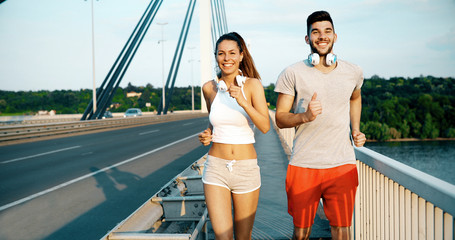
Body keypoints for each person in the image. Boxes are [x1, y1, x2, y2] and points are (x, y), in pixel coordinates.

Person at [274, 11, 367, 240]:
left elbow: (355, 97)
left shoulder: (353, 72)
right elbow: (280, 117)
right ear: (307, 39)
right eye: (315, 32)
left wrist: (355, 128)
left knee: (342, 229)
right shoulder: (292, 73)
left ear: (335, 36)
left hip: (342, 164)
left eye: (327, 31)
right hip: (304, 164)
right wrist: (304, 117)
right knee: (301, 232)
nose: (322, 36)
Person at [198, 32, 270, 240]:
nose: (226, 58)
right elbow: (213, 121)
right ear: (216, 57)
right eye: (221, 54)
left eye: (232, 53)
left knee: (243, 238)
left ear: (241, 55)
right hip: (216, 168)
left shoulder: (253, 85)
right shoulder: (209, 88)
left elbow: (265, 126)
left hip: (245, 169)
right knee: (222, 237)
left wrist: (243, 101)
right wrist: (207, 134)